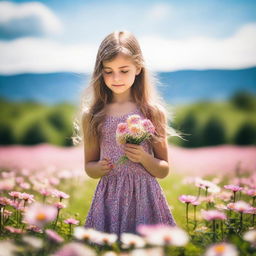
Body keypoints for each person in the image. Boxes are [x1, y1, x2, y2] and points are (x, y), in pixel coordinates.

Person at [72, 30, 184, 240]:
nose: (116, 78)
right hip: (109, 199)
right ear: (100, 72)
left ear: (138, 68)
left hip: (146, 198)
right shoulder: (94, 115)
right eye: (108, 71)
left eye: (124, 70)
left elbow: (163, 169)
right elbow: (90, 166)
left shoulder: (152, 112)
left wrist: (144, 158)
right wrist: (99, 168)